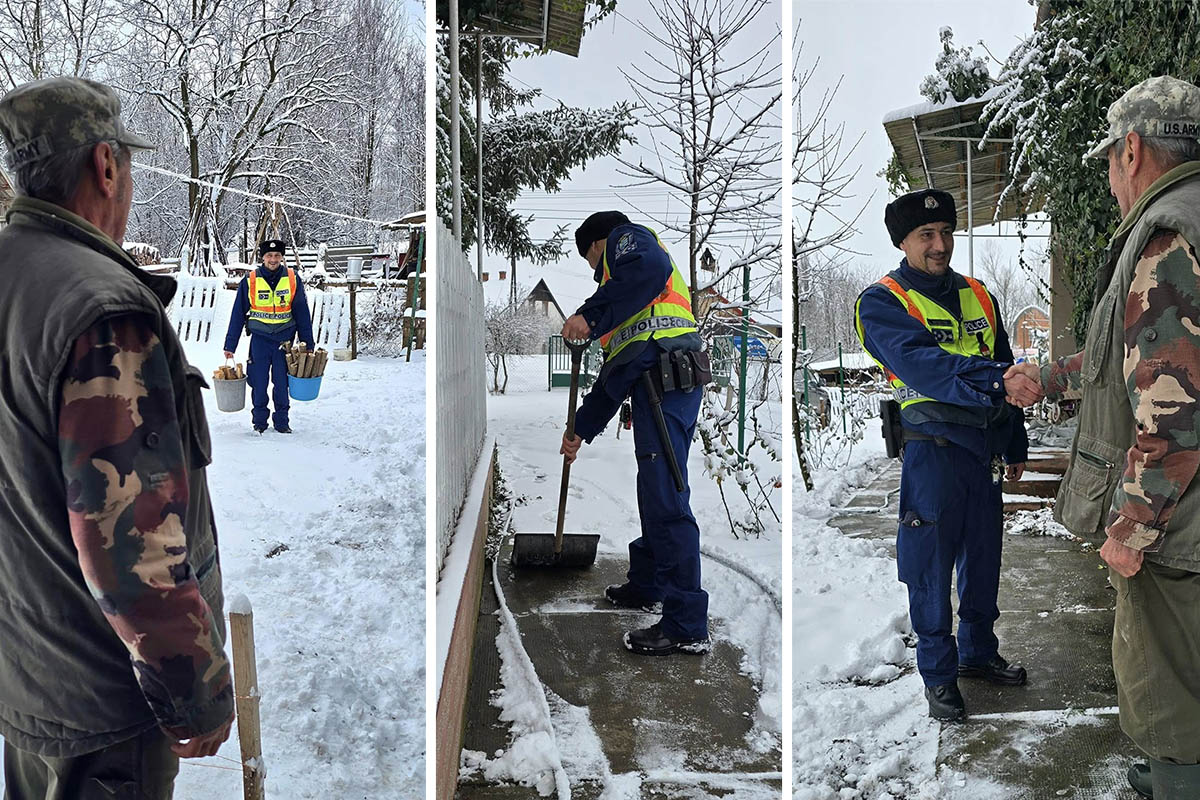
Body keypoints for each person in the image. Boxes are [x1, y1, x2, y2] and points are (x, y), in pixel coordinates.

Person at [0, 76, 232, 798]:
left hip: (28, 677)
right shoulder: (100, 308)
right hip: (104, 710)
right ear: (106, 165)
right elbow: (131, 538)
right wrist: (193, 690)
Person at [1005, 76, 1200, 799]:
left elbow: (1173, 411)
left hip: (1182, 529)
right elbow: (1140, 348)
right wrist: (1052, 376)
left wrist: (1130, 528)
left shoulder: (1167, 236)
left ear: (1133, 149)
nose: (1112, 184)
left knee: (1172, 696)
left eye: (1111, 165)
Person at [854, 188, 1033, 721]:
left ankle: (978, 653)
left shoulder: (980, 295)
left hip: (983, 453)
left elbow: (1004, 363)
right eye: (926, 235)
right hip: (932, 453)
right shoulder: (881, 303)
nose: (940, 245)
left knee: (984, 559)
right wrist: (996, 381)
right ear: (903, 242)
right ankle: (938, 674)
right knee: (929, 567)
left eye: (947, 233)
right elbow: (925, 365)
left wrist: (1014, 442)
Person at [560, 211, 712, 656]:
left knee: (666, 497)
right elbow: (616, 372)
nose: (596, 273)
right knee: (654, 491)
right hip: (653, 381)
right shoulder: (627, 301)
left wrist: (590, 315)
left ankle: (685, 624)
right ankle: (649, 584)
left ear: (597, 243)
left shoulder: (628, 241)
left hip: (668, 380)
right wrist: (581, 429)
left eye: (591, 261)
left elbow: (647, 268)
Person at [223, 238, 315, 434]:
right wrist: (230, 345)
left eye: (277, 255)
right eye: (269, 255)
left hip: (285, 341)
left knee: (282, 383)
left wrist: (307, 342)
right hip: (260, 340)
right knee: (258, 382)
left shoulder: (292, 279)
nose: (273, 259)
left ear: (282, 257)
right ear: (262, 257)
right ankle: (259, 422)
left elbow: (302, 313)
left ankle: (282, 422)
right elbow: (238, 314)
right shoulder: (250, 280)